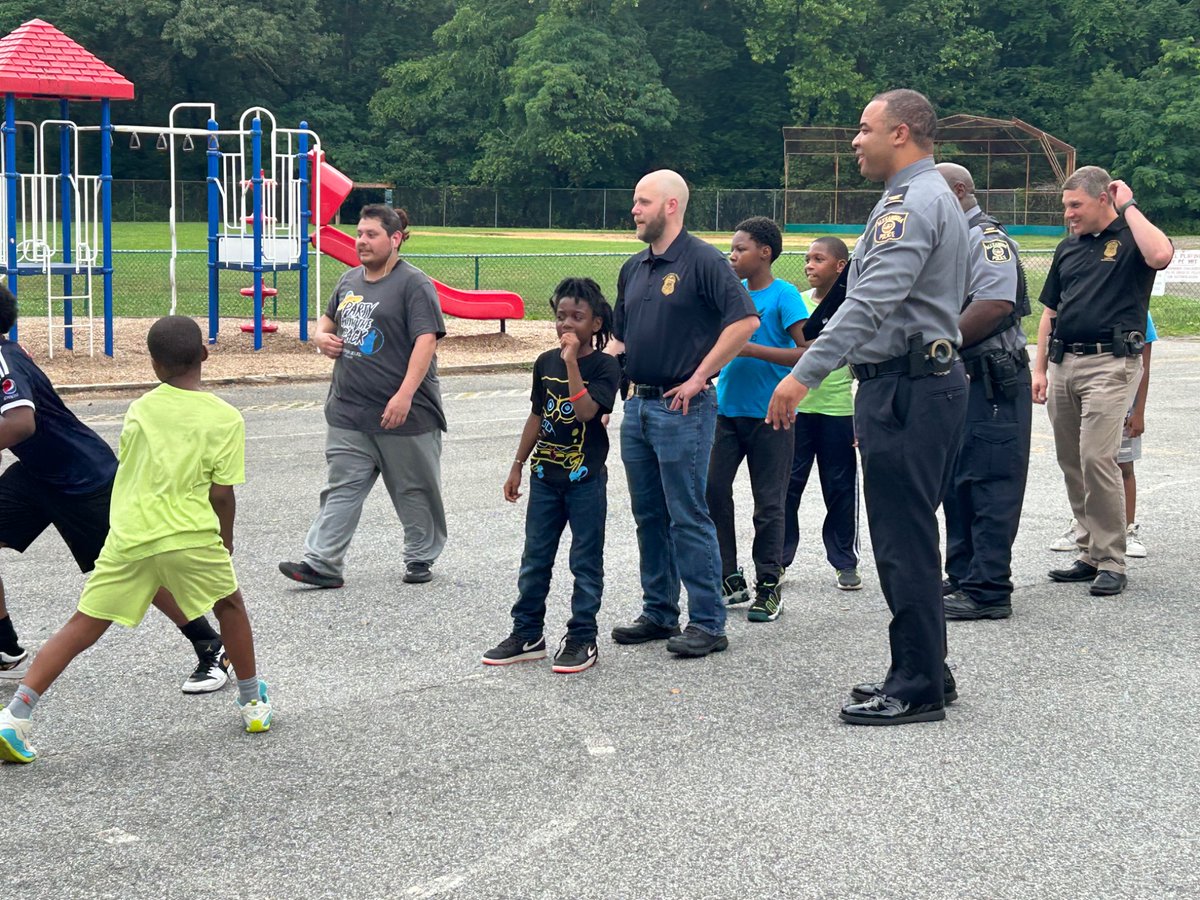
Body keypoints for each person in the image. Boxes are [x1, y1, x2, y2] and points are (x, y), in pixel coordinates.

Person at [767, 89, 969, 726]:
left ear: (901, 133)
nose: (856, 140)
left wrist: (803, 374)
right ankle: (926, 666)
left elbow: (872, 298)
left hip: (906, 388)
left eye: (864, 129)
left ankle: (916, 686)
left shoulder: (910, 203)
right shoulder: (927, 197)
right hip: (917, 381)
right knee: (910, 532)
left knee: (901, 539)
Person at [0, 316, 270, 765]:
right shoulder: (226, 418)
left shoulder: (140, 409)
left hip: (130, 536)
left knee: (82, 625)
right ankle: (252, 702)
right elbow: (222, 494)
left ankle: (15, 715)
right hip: (190, 534)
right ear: (204, 354)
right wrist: (226, 540)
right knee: (229, 606)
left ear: (152, 363)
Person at [0, 287, 229, 694]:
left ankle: (210, 644)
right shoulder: (8, 351)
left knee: (137, 570)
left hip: (83, 479)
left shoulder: (3, 358)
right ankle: (3, 648)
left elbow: (20, 424)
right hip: (39, 474)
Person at [606, 169, 759, 658]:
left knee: (687, 515)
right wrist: (591, 374)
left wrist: (699, 377)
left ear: (671, 206)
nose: (634, 209)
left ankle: (709, 622)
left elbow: (745, 321)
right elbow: (620, 339)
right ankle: (659, 612)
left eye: (642, 201)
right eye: (635, 201)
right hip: (640, 405)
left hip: (683, 407)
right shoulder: (633, 268)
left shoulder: (703, 261)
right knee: (648, 513)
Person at [279, 205, 447, 588]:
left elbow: (426, 341)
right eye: (359, 233)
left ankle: (420, 556)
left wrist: (405, 395)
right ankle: (322, 563)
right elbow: (327, 320)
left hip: (405, 415)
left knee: (415, 489)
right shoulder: (349, 280)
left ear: (395, 239)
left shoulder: (414, 284)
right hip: (349, 411)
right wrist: (321, 336)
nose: (361, 241)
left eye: (371, 235)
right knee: (341, 488)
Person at [1032, 166, 1173, 597]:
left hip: (1110, 365)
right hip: (1063, 363)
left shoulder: (1131, 239)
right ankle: (1090, 551)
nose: (1068, 214)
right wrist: (1038, 368)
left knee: (1098, 457)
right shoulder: (1068, 248)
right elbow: (1050, 312)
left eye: (1075, 205)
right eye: (1065, 206)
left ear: (1101, 199)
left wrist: (1128, 204)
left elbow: (1162, 256)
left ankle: (1112, 558)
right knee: (1071, 459)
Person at [483, 278, 621, 673]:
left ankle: (582, 637)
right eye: (561, 316)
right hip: (545, 477)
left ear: (595, 324)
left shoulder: (606, 366)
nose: (566, 325)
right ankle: (527, 633)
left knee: (585, 560)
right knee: (535, 558)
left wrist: (572, 361)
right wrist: (517, 464)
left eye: (577, 317)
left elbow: (584, 413)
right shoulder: (545, 362)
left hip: (585, 480)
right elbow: (538, 414)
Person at [936, 162, 1032, 621]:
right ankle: (963, 574)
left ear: (959, 191)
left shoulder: (987, 241)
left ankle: (989, 588)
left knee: (990, 482)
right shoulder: (952, 239)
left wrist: (939, 345)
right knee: (958, 481)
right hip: (962, 378)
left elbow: (995, 305)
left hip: (994, 377)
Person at [705, 217, 806, 623]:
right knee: (712, 491)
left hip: (771, 416)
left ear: (764, 252)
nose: (732, 255)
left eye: (740, 248)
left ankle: (769, 586)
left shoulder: (784, 296)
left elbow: (806, 352)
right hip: (726, 413)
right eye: (731, 248)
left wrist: (752, 350)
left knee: (769, 504)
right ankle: (730, 576)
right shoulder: (733, 296)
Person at [779, 236, 861, 592]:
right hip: (798, 411)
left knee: (840, 488)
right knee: (786, 488)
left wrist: (862, 417)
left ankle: (845, 561)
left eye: (819, 259)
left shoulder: (854, 306)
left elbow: (861, 361)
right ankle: (777, 560)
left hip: (838, 411)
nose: (809, 265)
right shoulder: (796, 304)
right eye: (807, 259)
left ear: (841, 267)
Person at [1049, 312, 1156, 558]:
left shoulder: (1136, 311)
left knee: (1120, 466)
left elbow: (1144, 365)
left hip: (1121, 398)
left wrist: (1138, 411)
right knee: (1085, 462)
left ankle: (1127, 530)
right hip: (1086, 390)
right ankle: (1087, 531)